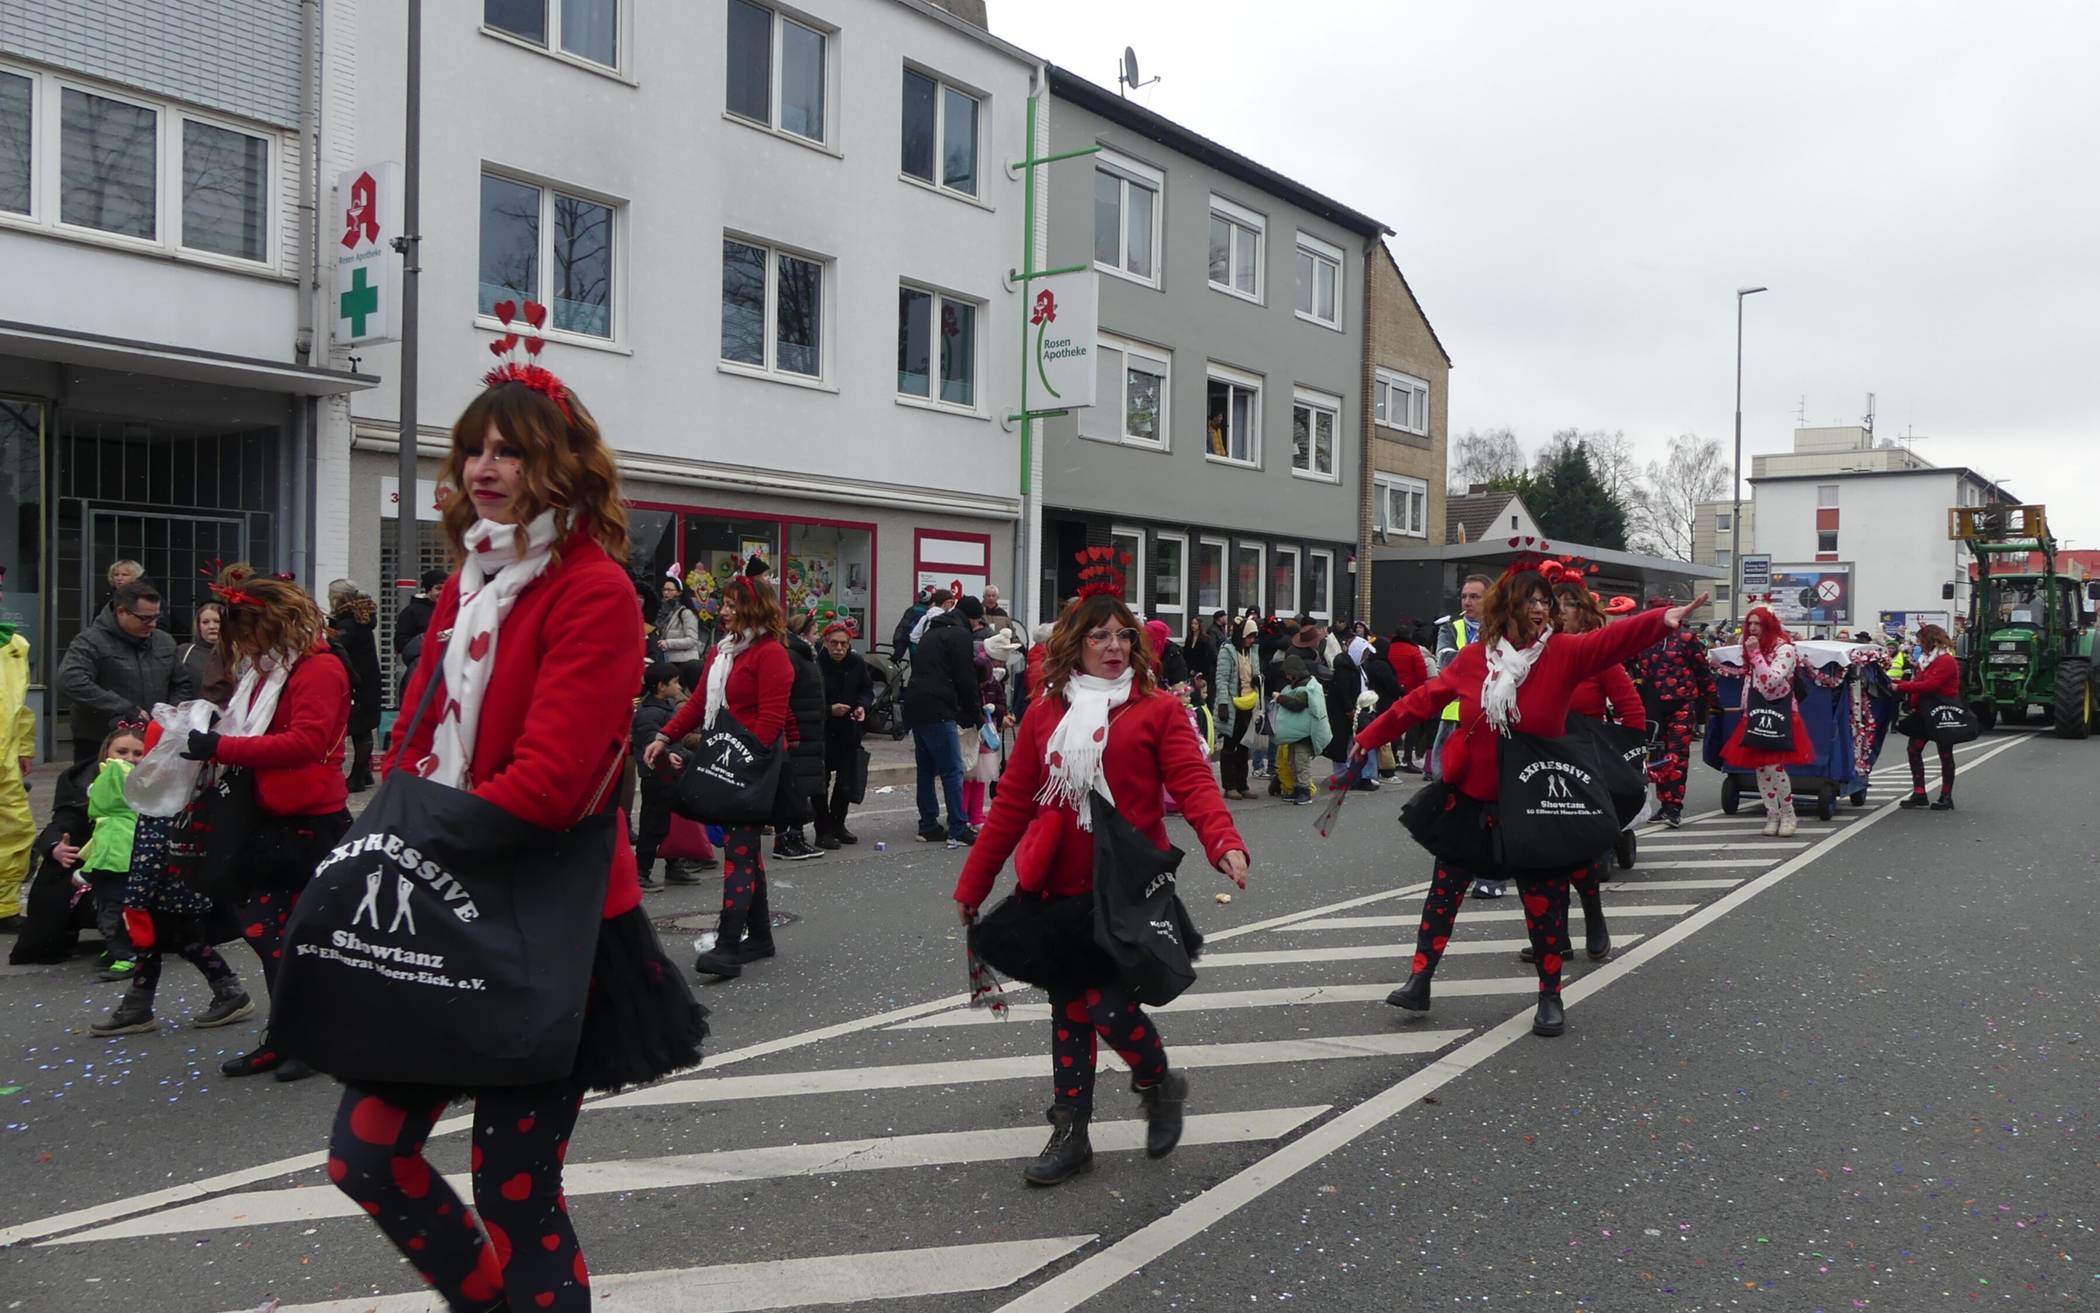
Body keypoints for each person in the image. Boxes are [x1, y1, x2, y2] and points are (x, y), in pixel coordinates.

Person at [333, 341, 705, 1311]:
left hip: (550, 918)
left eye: (509, 450)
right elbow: (411, 734)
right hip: (445, 899)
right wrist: (392, 823)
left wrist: (422, 835)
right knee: (364, 1154)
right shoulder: (468, 580)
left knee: (513, 1184)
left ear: (561, 466)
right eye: (474, 449)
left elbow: (551, 782)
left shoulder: (595, 588)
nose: (484, 467)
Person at [953, 592, 1250, 1186]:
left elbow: (1193, 781)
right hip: (1058, 888)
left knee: (1104, 1005)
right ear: (1075, 644)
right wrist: (974, 883)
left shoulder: (1157, 710)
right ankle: (1072, 1133)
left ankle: (1157, 1081)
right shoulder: (1046, 713)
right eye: (1100, 636)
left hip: (1125, 890)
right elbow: (1011, 804)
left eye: (1123, 635)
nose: (1114, 646)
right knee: (1069, 1009)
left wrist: (1223, 841)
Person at [1351, 568, 1708, 1037]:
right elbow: (1421, 701)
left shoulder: (1563, 653)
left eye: (1545, 602)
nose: (1541, 609)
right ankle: (1419, 980)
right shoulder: (1474, 659)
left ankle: (1550, 995)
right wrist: (1368, 737)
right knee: (1444, 893)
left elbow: (1612, 642)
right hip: (1473, 799)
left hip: (1536, 800)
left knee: (1543, 903)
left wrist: (1661, 619)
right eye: (1531, 601)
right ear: (1507, 609)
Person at [178, 565, 352, 1083]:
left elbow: (307, 743)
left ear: (270, 626)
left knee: (294, 936)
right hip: (267, 814)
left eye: (247, 636)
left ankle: (307, 1036)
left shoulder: (319, 669)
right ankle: (288, 1035)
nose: (243, 649)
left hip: (308, 819)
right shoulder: (271, 670)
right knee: (263, 930)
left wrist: (222, 746)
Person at [647, 573, 795, 977]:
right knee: (742, 849)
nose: (723, 612)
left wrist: (741, 766)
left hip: (753, 766)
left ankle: (729, 945)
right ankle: (760, 937)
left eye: (731, 605)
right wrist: (664, 736)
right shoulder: (721, 652)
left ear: (753, 609)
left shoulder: (771, 654)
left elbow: (771, 722)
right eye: (723, 604)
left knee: (740, 852)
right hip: (726, 759)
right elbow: (699, 703)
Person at [88, 723, 255, 1037]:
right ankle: (146, 1006)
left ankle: (226, 993)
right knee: (174, 945)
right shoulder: (188, 789)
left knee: (172, 945)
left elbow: (149, 856)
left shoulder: (158, 799)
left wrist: (136, 899)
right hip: (184, 889)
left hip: (163, 894)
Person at [1529, 580, 1648, 966]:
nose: (1558, 611)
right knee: (1547, 852)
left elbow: (1632, 710)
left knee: (1580, 847)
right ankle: (1557, 935)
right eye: (1554, 604)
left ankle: (1594, 920)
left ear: (1584, 612)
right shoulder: (1535, 652)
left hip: (1586, 760)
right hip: (1543, 760)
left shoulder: (1598, 657)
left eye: (1567, 604)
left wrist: (1626, 757)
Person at [57, 579, 197, 764]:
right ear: (121, 612)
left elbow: (181, 683)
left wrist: (169, 715)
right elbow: (70, 680)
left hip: (153, 739)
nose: (153, 624)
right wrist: (121, 707)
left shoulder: (164, 641)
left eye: (156, 617)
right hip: (100, 741)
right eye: (145, 618)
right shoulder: (91, 641)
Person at [1714, 605, 1816, 838]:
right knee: (1760, 767)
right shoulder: (1757, 649)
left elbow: (1770, 680)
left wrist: (1755, 654)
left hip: (1780, 714)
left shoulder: (1784, 649)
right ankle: (1772, 815)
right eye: (1749, 623)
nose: (1752, 628)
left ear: (1768, 625)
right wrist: (1745, 708)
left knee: (1774, 766)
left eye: (1757, 623)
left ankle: (1788, 814)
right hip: (1756, 713)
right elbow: (1751, 682)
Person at [903, 591, 981, 847]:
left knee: (926, 769)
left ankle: (928, 825)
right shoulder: (960, 635)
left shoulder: (931, 632)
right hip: (939, 707)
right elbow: (965, 677)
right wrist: (974, 712)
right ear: (971, 618)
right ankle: (958, 827)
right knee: (952, 769)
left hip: (916, 704)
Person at [1433, 576, 1495, 894]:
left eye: (1475, 597)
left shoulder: (1503, 628)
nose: (1467, 602)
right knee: (1448, 792)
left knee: (1487, 795)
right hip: (1453, 720)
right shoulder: (1451, 627)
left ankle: (1490, 872)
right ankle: (1458, 861)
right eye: (1464, 596)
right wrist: (1480, 658)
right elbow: (1445, 662)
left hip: (1490, 720)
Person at [1632, 597, 1716, 827]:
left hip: (1682, 704)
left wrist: (1714, 701)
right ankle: (1665, 804)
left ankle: (1673, 807)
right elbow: (1626, 665)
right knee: (1657, 755)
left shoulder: (1686, 638)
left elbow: (1702, 671)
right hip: (1652, 705)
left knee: (1676, 754)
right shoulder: (1641, 638)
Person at [73, 724, 146, 987]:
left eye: (137, 753)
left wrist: (87, 872)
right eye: (122, 752)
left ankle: (125, 954)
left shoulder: (119, 819)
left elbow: (110, 851)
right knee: (106, 910)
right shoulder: (112, 813)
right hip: (115, 874)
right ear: (107, 753)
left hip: (119, 874)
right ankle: (117, 947)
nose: (129, 759)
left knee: (114, 914)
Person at [774, 612, 828, 862]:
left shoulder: (807, 655)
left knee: (801, 786)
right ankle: (784, 838)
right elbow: (786, 695)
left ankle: (797, 835)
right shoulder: (793, 656)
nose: (817, 637)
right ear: (803, 633)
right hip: (798, 728)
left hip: (810, 728)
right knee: (791, 786)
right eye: (815, 632)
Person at [816, 619, 871, 848]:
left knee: (846, 781)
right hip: (823, 731)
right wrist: (829, 709)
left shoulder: (856, 663)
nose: (839, 648)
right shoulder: (816, 664)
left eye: (843, 644)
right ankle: (823, 829)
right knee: (821, 782)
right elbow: (807, 699)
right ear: (826, 643)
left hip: (849, 728)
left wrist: (862, 707)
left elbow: (866, 690)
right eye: (834, 643)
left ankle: (838, 823)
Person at [630, 662, 686, 889]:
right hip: (656, 776)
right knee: (653, 824)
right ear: (661, 686)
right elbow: (650, 744)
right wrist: (670, 755)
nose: (678, 687)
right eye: (675, 682)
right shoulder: (650, 713)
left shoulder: (666, 707)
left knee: (672, 823)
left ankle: (674, 865)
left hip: (670, 774)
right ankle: (641, 870)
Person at [1894, 622, 1960, 811]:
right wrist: (1896, 683)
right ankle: (1919, 792)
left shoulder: (1945, 661)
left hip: (1941, 711)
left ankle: (1946, 796)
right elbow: (1919, 683)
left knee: (1945, 753)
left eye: (1921, 641)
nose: (1919, 645)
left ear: (1929, 640)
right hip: (1925, 711)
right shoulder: (1927, 660)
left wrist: (1899, 687)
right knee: (1914, 750)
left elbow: (1930, 685)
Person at [326, 580, 383, 793]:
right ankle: (364, 773)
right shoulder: (359, 619)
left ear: (338, 597)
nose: (328, 598)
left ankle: (358, 776)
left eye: (331, 594)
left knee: (360, 730)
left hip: (359, 680)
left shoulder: (348, 624)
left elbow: (337, 648)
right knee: (363, 729)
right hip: (368, 679)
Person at [0, 563, 32, 932]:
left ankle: (4, 907)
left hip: (5, 758)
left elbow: (20, 705)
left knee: (15, 830)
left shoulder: (14, 646)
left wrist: (24, 747)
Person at [1270, 655, 1330, 804]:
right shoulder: (1303, 684)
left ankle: (1304, 792)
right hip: (1296, 735)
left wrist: (1280, 698)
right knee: (1293, 762)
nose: (1286, 676)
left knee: (1301, 764)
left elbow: (1297, 705)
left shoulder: (1306, 688)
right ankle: (1297, 790)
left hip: (1304, 736)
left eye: (1288, 673)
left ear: (1294, 673)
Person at [1214, 626, 1259, 800]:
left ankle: (1242, 785)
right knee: (1229, 746)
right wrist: (1223, 703)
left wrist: (1258, 679)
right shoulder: (1227, 651)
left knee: (1244, 746)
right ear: (1241, 635)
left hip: (1249, 703)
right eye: (1249, 637)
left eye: (1254, 637)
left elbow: (1256, 673)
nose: (1251, 641)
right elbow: (1222, 679)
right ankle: (1230, 786)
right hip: (1233, 705)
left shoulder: (1252, 651)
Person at [1385, 624, 1429, 772]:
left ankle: (1393, 757)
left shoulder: (1389, 648)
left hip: (1391, 693)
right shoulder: (1413, 650)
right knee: (1412, 727)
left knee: (1392, 725)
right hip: (1411, 694)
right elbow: (1422, 675)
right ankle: (1407, 759)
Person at [656, 577, 703, 687]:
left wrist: (668, 643)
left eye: (669, 590)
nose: (666, 593)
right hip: (669, 662)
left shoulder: (686, 613)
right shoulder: (664, 613)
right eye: (664, 590)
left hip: (684, 664)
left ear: (679, 592)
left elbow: (692, 640)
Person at [175, 602, 224, 696]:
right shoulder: (184, 652)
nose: (212, 626)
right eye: (205, 622)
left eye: (217, 621)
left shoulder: (238, 654)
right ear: (198, 625)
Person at [892, 585, 935, 658]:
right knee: (916, 662)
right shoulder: (926, 613)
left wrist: (896, 639)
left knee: (895, 658)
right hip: (914, 641)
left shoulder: (911, 609)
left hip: (902, 638)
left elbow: (902, 626)